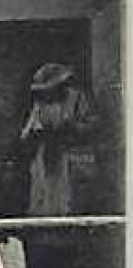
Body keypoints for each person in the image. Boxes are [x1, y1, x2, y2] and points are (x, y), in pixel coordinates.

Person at [20, 62, 97, 216]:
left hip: (71, 154)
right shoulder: (40, 105)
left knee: (70, 200)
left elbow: (92, 125)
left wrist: (71, 127)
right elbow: (26, 134)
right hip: (47, 156)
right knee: (46, 199)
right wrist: (38, 133)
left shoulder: (77, 98)